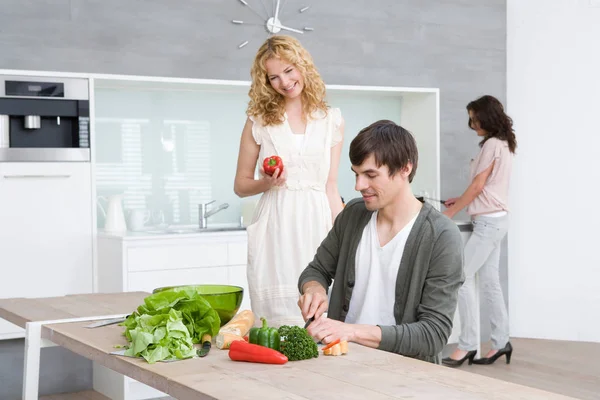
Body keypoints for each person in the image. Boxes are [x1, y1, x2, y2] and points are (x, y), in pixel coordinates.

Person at [297, 120, 464, 364]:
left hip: (404, 376)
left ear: (405, 168)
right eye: (356, 174)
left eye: (370, 175)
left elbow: (433, 334)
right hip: (341, 364)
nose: (359, 186)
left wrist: (351, 331)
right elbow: (317, 270)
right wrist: (314, 289)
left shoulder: (441, 235)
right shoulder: (354, 215)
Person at [233, 35, 345, 328]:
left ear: (302, 65)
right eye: (274, 77)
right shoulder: (258, 120)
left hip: (316, 223)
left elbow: (331, 186)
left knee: (321, 318)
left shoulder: (330, 119)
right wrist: (266, 183)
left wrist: (348, 237)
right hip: (276, 226)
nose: (284, 81)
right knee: (276, 323)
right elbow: (241, 185)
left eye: (289, 70)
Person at [441, 95, 517, 367]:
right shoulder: (504, 144)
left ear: (488, 117)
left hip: (488, 223)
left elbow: (478, 186)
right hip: (497, 218)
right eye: (470, 119)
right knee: (490, 281)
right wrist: (458, 199)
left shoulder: (491, 145)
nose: (472, 124)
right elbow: (485, 188)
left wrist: (451, 212)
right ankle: (500, 342)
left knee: (460, 277)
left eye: (475, 118)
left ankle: (467, 345)